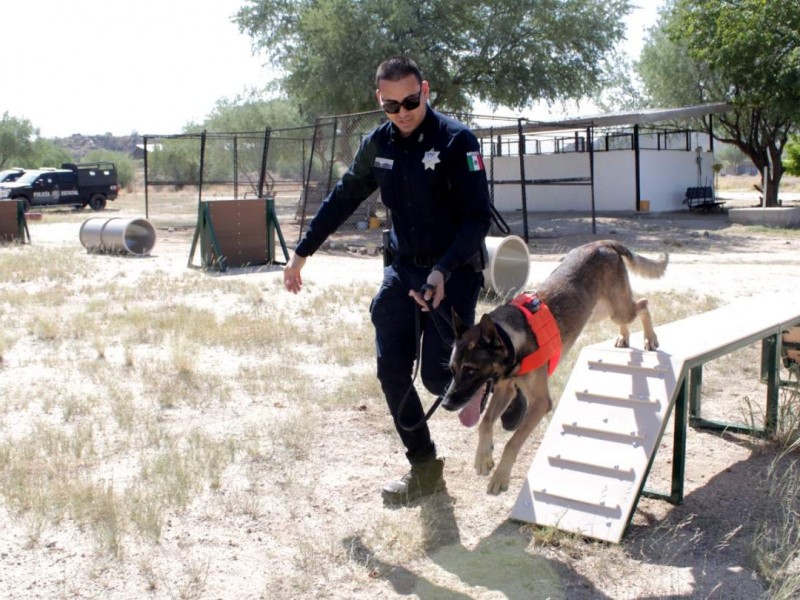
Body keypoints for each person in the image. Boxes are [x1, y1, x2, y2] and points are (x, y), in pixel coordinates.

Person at [283, 56, 492, 505]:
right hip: (402, 269)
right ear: (379, 101)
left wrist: (442, 271)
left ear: (426, 91)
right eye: (391, 105)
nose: (403, 112)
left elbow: (477, 219)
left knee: (439, 380)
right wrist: (302, 252)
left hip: (453, 270)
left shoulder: (457, 141)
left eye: (411, 101)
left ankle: (489, 381)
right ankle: (424, 467)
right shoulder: (377, 144)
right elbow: (342, 198)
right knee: (391, 368)